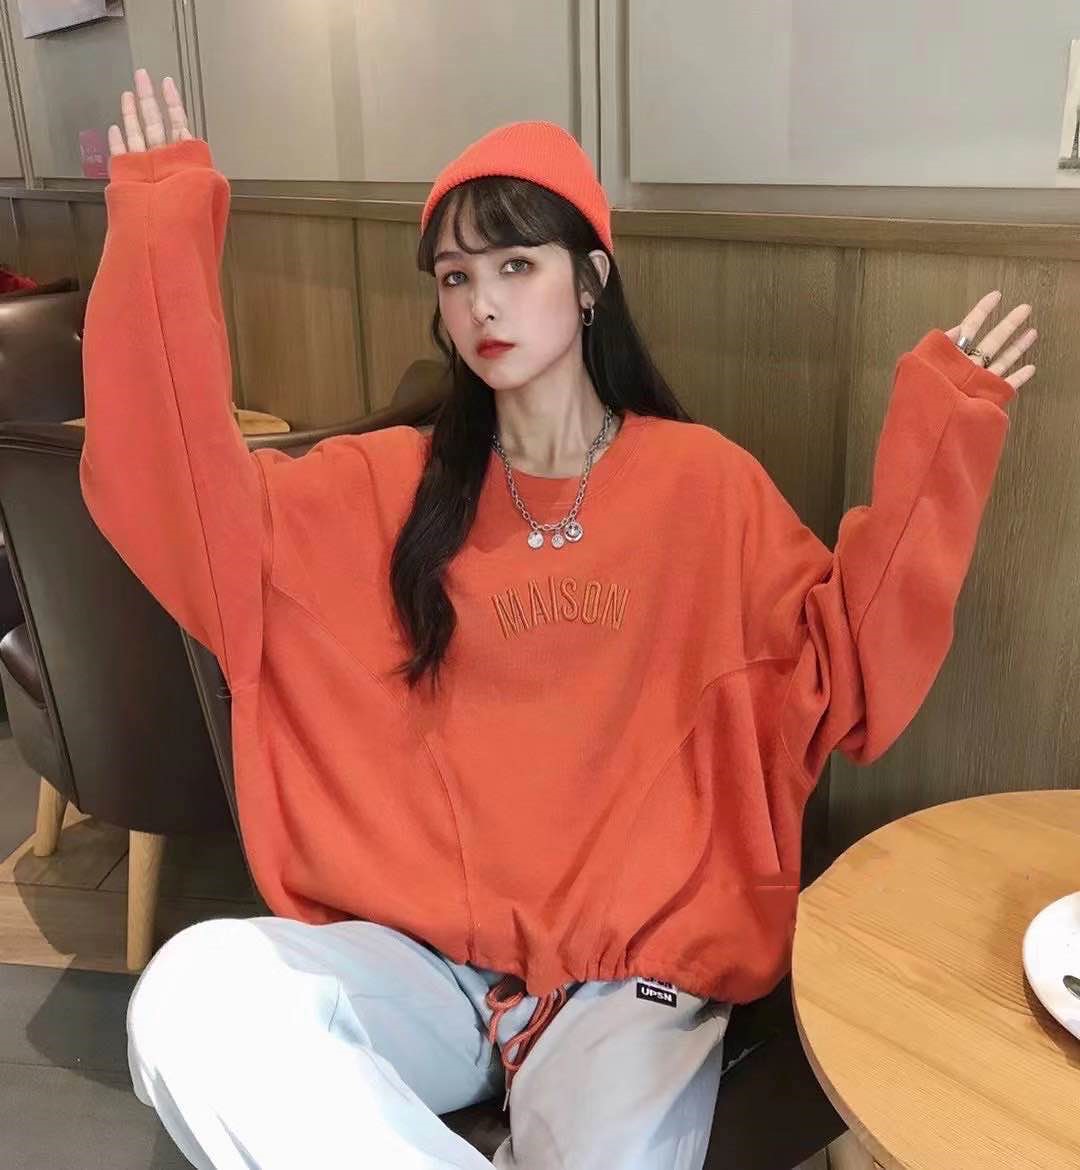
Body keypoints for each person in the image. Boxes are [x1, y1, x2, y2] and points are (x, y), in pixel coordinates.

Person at [80, 69, 1037, 1170]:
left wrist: (942, 443)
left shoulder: (703, 488)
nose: (481, 304)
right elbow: (178, 502)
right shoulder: (379, 489)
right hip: (418, 965)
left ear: (590, 280)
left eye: (516, 265)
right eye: (455, 276)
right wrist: (157, 232)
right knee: (194, 997)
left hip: (628, 982)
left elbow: (851, 677)